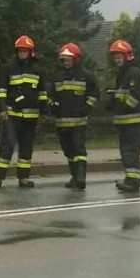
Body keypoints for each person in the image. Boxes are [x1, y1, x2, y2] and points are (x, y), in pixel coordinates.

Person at [0, 35, 49, 189]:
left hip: (31, 116)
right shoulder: (8, 69)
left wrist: (44, 112)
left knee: (26, 146)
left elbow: (42, 93)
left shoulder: (38, 71)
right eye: (20, 51)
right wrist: (2, 109)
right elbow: (1, 92)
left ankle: (23, 178)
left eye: (25, 51)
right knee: (7, 145)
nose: (22, 53)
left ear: (31, 52)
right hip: (12, 114)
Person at [48, 42, 99, 190]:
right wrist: (52, 105)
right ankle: (74, 177)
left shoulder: (86, 76)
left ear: (76, 59)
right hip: (62, 123)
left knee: (79, 149)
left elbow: (94, 94)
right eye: (64, 59)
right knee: (68, 151)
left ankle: (81, 178)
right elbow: (50, 95)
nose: (66, 62)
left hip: (79, 122)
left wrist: (87, 107)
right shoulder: (57, 77)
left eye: (69, 59)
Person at [107, 40, 140, 193]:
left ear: (127, 56)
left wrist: (122, 108)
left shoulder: (133, 72)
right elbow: (121, 94)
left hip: (133, 119)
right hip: (124, 120)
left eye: (119, 56)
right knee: (125, 151)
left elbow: (135, 96)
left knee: (131, 151)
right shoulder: (122, 73)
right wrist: (112, 102)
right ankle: (129, 178)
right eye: (115, 57)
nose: (117, 60)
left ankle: (134, 183)